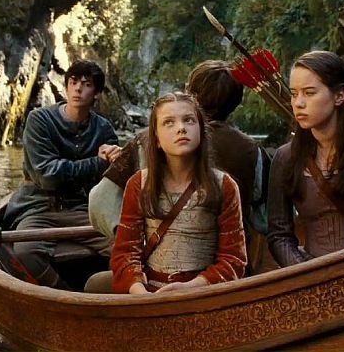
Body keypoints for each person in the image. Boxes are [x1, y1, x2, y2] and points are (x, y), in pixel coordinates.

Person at [88, 60, 270, 274]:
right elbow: (264, 221)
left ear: (190, 94)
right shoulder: (252, 151)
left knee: (94, 283)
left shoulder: (148, 140)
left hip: (157, 273)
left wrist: (137, 237)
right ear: (236, 102)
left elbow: (99, 202)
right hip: (229, 277)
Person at [104, 91, 246, 294]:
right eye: (169, 122)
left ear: (201, 130)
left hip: (202, 294)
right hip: (149, 293)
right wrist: (141, 293)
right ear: (156, 138)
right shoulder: (140, 183)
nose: (181, 128)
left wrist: (190, 288)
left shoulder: (224, 185)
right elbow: (125, 253)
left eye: (189, 120)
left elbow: (233, 259)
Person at [2, 59, 122, 289]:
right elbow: (47, 176)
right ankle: (62, 293)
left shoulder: (103, 129)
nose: (78, 89)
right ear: (66, 86)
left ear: (96, 93)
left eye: (86, 84)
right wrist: (97, 162)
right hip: (39, 207)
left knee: (125, 245)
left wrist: (117, 161)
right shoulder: (39, 120)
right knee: (26, 251)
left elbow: (110, 182)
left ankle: (109, 292)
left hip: (80, 208)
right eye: (73, 82)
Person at [266, 51, 344, 267]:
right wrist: (303, 270)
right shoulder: (286, 157)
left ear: (339, 96)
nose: (298, 103)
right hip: (311, 273)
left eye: (309, 93)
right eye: (294, 94)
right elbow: (279, 234)